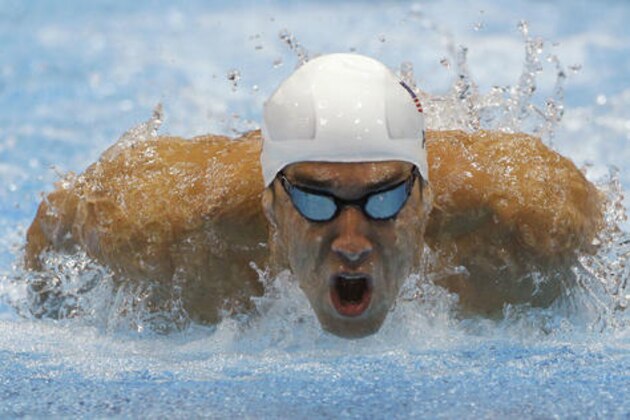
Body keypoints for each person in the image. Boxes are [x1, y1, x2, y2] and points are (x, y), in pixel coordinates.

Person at [24, 54, 602, 338]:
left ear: (426, 198)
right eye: (316, 202)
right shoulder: (164, 221)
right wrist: (46, 314)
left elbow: (611, 255)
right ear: (271, 204)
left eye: (383, 201)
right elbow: (55, 219)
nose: (352, 243)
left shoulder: (528, 216)